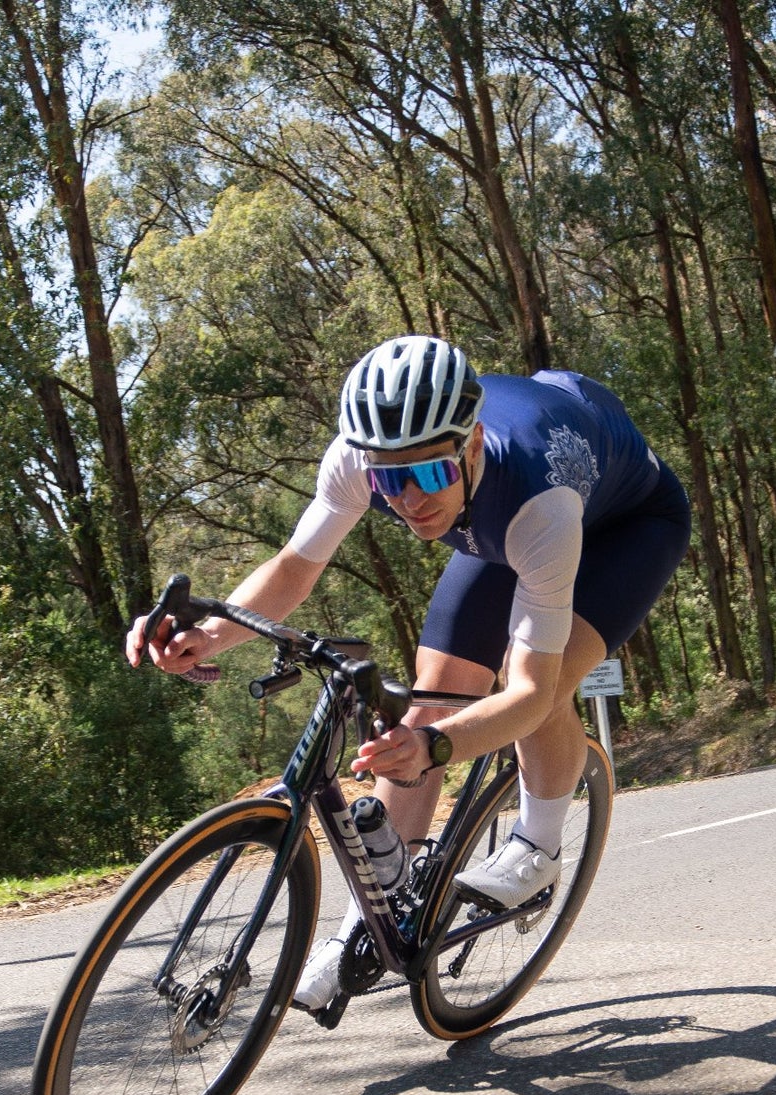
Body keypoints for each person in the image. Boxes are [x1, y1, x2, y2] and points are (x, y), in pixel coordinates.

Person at [127, 335, 691, 1011]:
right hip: (496, 519)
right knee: (423, 705)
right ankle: (366, 922)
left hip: (624, 528)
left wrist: (438, 748)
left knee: (540, 681)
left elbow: (528, 694)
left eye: (426, 476)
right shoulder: (360, 458)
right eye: (388, 481)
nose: (407, 502)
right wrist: (209, 633)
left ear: (471, 445)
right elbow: (296, 567)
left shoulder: (539, 502)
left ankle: (538, 850)